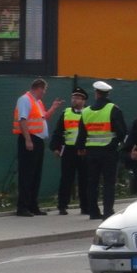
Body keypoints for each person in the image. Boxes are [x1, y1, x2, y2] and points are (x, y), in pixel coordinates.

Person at [76, 81, 127, 220]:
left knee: (92, 182)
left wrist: (80, 148)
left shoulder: (86, 112)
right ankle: (108, 211)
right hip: (109, 151)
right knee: (109, 183)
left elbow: (81, 133)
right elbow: (122, 131)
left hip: (91, 153)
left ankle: (93, 211)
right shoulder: (113, 109)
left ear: (96, 93)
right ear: (108, 93)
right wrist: (120, 143)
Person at [13, 78, 63, 217]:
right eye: (44, 90)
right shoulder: (25, 99)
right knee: (27, 174)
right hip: (29, 139)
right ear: (39, 88)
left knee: (35, 174)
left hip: (38, 140)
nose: (44, 93)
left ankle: (32, 205)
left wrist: (53, 107)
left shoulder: (38, 102)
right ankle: (22, 207)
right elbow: (22, 120)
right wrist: (28, 140)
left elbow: (43, 117)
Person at [49, 86, 90, 215]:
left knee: (85, 179)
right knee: (66, 179)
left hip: (84, 150)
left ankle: (85, 206)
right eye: (73, 97)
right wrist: (56, 147)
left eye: (78, 98)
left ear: (84, 100)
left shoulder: (89, 113)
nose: (75, 100)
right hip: (69, 150)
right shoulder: (66, 113)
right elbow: (58, 131)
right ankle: (62, 205)